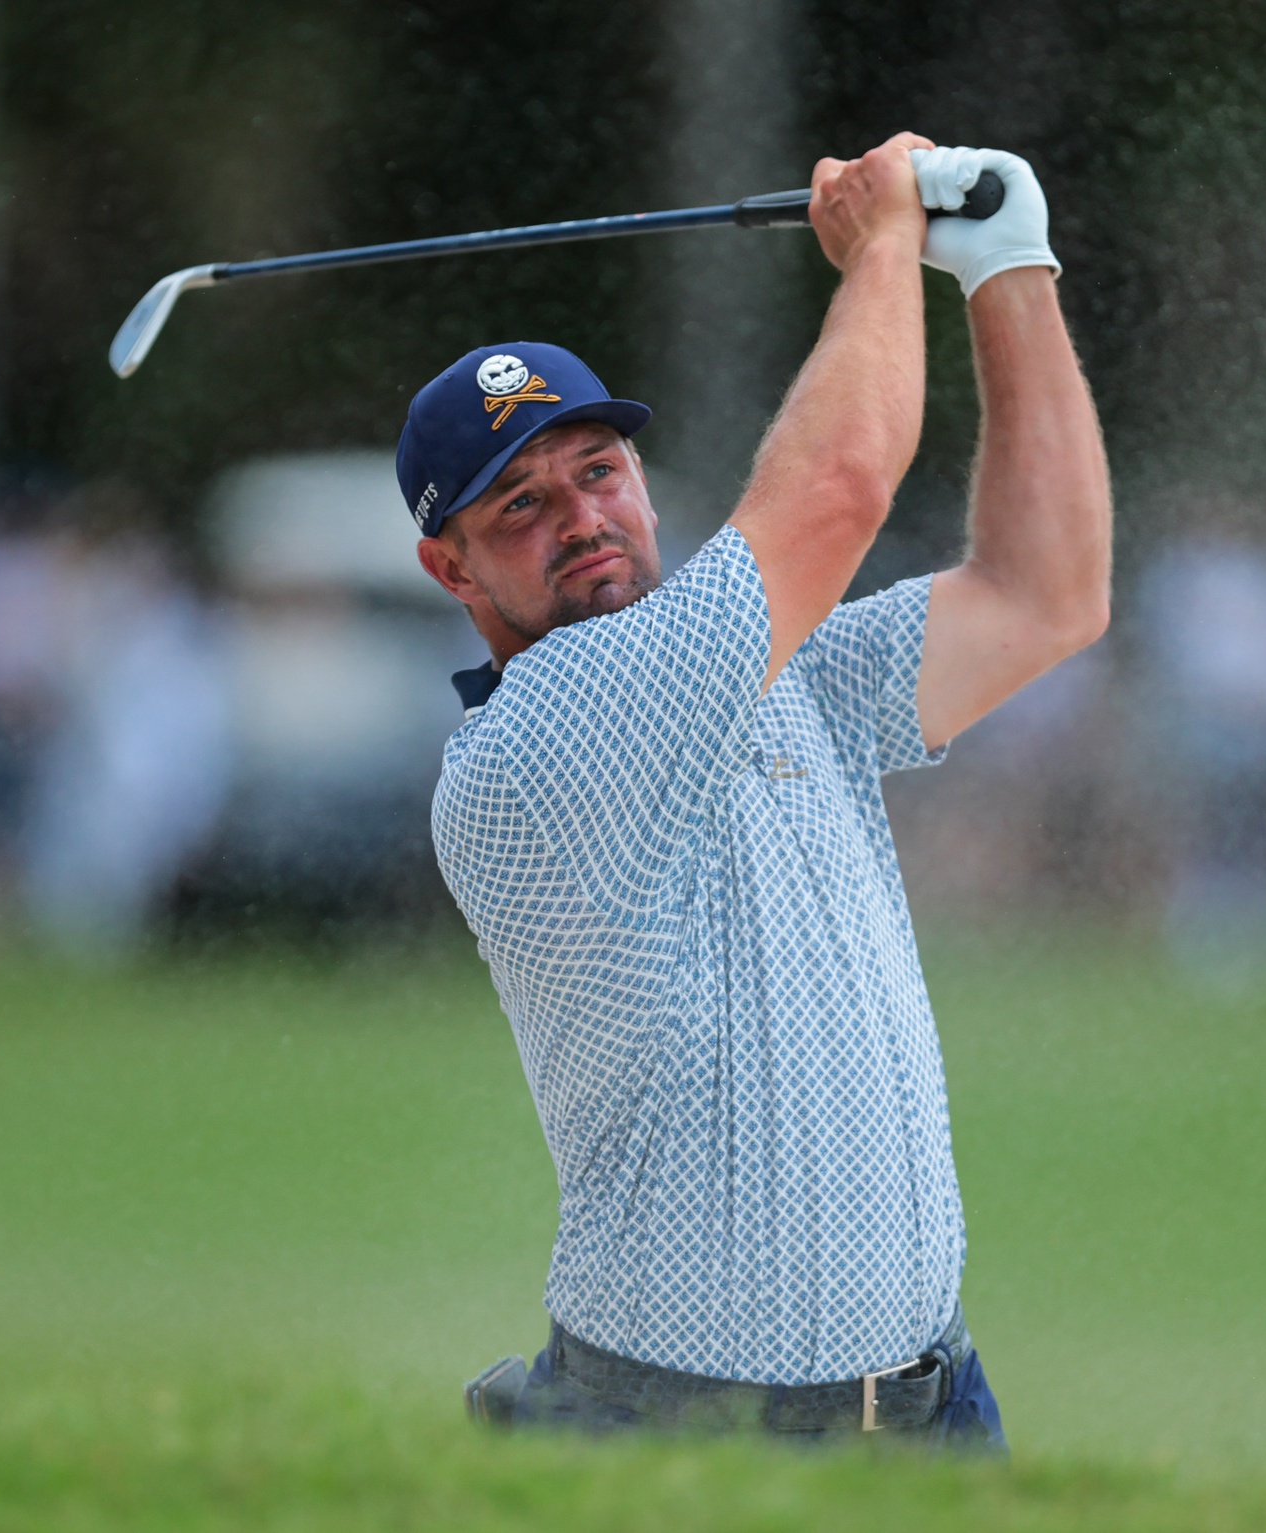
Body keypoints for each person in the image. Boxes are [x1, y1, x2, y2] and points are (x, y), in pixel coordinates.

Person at [403, 134, 1108, 1445]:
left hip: (932, 1411)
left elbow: (1046, 593)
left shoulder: (777, 676)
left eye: (597, 471)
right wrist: (884, 243)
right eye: (520, 507)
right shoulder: (539, 738)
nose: (581, 518)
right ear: (452, 570)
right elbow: (838, 488)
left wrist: (1012, 270)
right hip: (692, 1431)